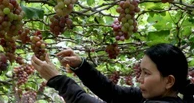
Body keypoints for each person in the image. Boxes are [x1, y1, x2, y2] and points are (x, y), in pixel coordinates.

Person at [31, 43, 194, 103]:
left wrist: (58, 80)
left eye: (146, 73)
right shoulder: (154, 96)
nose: (139, 78)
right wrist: (81, 66)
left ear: (169, 81)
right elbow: (112, 92)